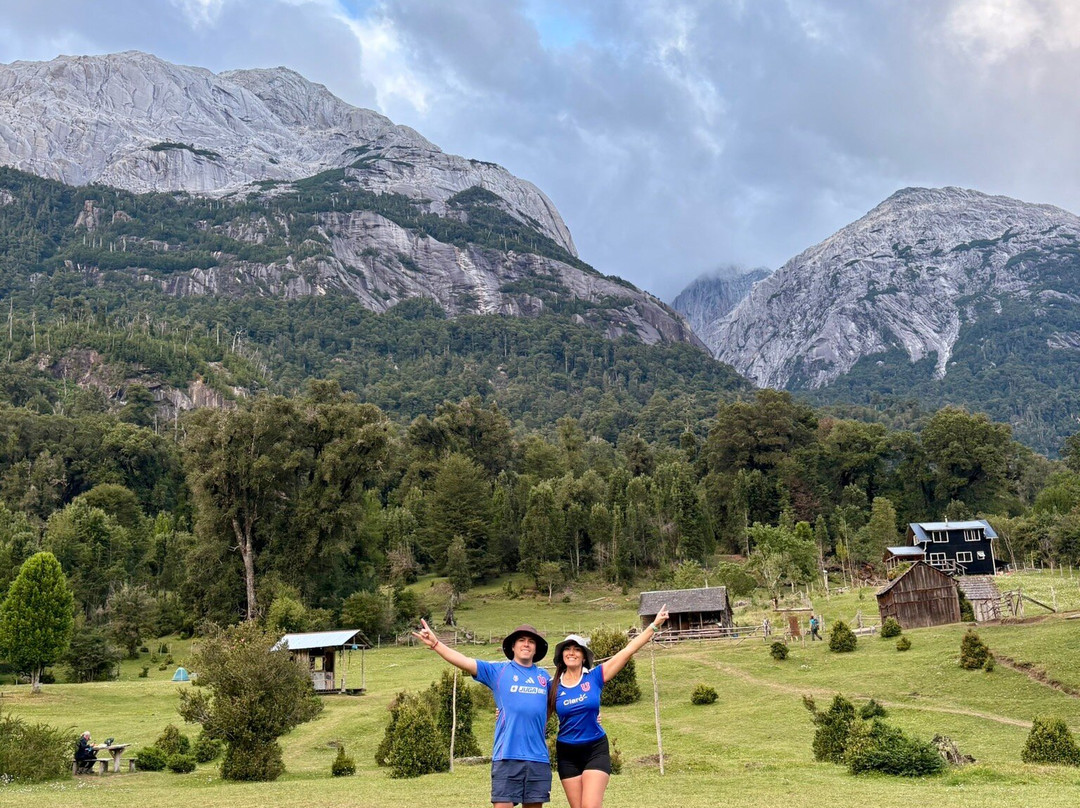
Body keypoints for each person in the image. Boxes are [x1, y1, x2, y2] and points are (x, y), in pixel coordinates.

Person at [414, 618, 552, 808]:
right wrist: (436, 644)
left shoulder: (544, 677)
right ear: (513, 646)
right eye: (521, 640)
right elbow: (465, 662)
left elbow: (556, 705)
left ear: (536, 649)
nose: (526, 644)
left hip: (537, 757)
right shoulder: (498, 671)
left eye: (531, 641)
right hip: (507, 756)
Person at [548, 605, 669, 808]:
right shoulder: (552, 686)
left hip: (595, 749)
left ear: (584, 656)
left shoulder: (595, 677)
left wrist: (654, 625)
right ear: (562, 655)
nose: (572, 653)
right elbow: (532, 710)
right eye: (567, 649)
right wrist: (503, 714)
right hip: (567, 753)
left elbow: (628, 651)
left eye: (577, 649)